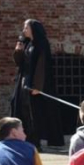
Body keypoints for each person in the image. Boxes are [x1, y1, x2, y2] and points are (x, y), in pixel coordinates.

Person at [11, 19, 64, 149]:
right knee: (22, 109)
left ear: (33, 29)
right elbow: (20, 63)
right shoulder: (28, 44)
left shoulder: (41, 43)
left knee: (34, 113)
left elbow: (42, 66)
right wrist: (18, 51)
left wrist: (37, 86)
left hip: (34, 83)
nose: (24, 30)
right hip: (24, 81)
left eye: (26, 28)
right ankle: (26, 138)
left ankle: (35, 142)